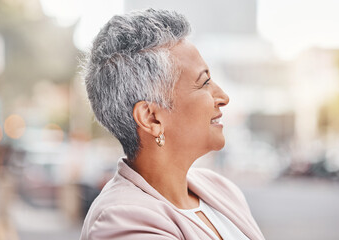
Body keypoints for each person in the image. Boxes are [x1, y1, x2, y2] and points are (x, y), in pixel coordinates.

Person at [80, 8, 265, 240]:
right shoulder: (121, 220)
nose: (223, 97)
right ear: (151, 118)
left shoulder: (221, 189)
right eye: (204, 82)